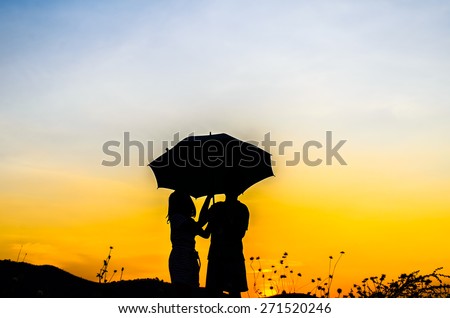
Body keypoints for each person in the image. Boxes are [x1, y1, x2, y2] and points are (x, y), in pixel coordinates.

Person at [205, 191, 249, 297]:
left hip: (232, 256)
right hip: (221, 255)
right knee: (216, 293)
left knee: (234, 292)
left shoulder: (242, 209)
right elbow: (203, 223)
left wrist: (223, 227)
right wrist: (208, 198)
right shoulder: (217, 207)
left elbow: (240, 234)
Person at [167, 190, 211, 296]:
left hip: (189, 257)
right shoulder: (177, 218)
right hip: (180, 257)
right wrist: (208, 200)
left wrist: (211, 221)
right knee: (183, 290)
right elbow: (199, 225)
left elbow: (205, 234)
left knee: (191, 290)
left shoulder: (184, 220)